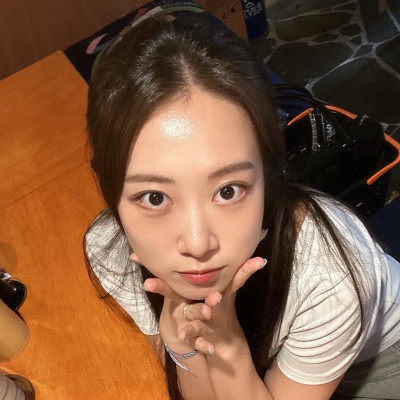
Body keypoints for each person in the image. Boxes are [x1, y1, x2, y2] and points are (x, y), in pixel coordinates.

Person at [83, 2, 400, 399]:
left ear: (268, 172)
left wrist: (227, 347)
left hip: (377, 360)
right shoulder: (111, 249)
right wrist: (184, 342)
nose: (197, 244)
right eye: (155, 196)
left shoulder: (330, 277)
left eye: (228, 190)